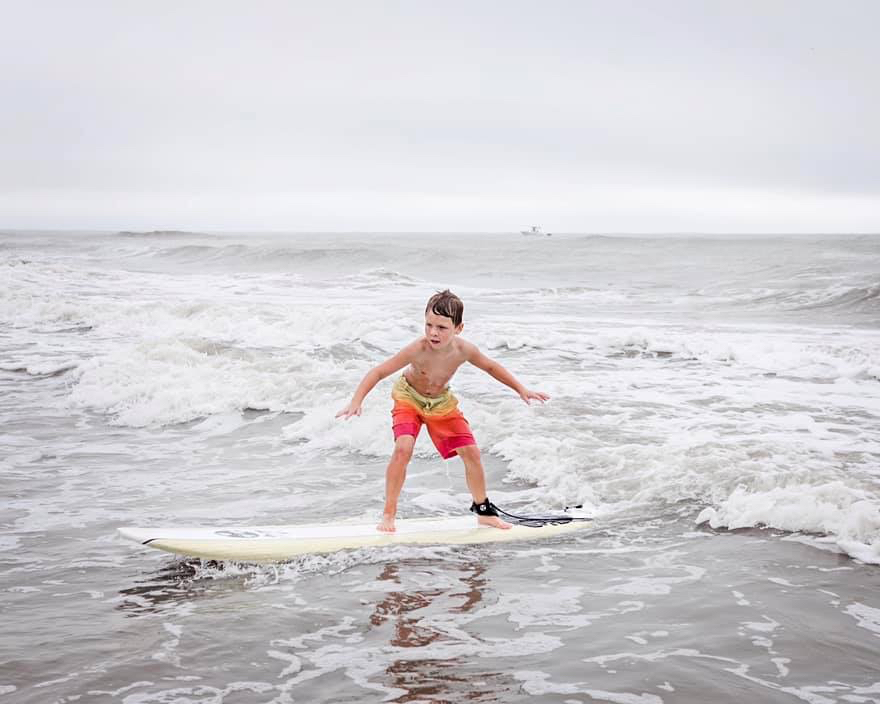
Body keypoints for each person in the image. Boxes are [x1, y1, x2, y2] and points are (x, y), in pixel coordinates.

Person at [336, 289, 549, 532]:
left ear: (459, 328)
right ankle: (388, 514)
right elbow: (378, 372)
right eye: (429, 325)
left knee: (471, 452)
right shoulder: (417, 348)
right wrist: (356, 401)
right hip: (408, 397)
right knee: (403, 448)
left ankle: (483, 511)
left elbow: (490, 367)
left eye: (441, 327)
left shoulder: (465, 350)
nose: (433, 333)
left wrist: (521, 389)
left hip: (441, 402)